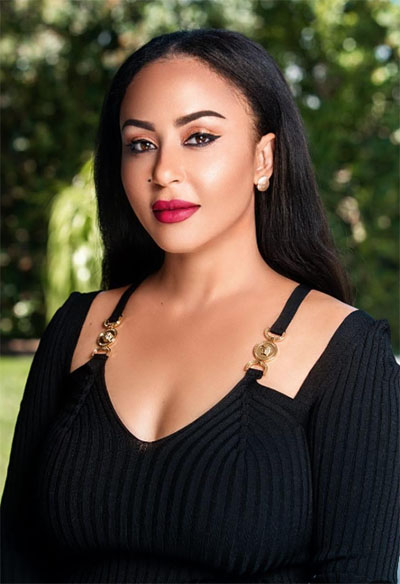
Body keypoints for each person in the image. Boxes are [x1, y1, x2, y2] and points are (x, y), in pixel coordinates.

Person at [1, 28, 399, 584]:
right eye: (141, 144)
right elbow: (15, 555)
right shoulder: (79, 326)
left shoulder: (346, 351)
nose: (163, 171)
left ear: (264, 158)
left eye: (199, 137)